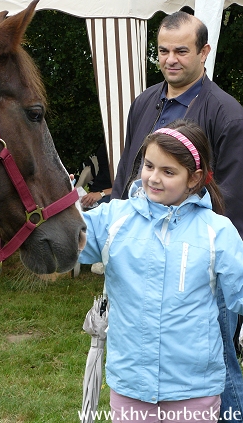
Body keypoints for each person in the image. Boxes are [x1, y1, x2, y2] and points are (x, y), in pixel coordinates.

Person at [111, 11, 243, 422]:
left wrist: (216, 263)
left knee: (218, 366)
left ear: (204, 52)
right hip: (141, 260)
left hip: (200, 266)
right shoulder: (144, 102)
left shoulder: (228, 114)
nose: (171, 59)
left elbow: (234, 200)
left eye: (181, 51)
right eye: (164, 51)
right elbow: (127, 174)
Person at [79, 119, 243, 423]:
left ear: (193, 178)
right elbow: (64, 238)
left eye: (168, 172)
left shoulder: (216, 231)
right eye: (149, 165)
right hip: (130, 387)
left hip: (194, 392)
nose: (153, 178)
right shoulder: (114, 218)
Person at [77, 143, 112, 209]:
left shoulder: (134, 151)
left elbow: (126, 187)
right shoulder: (106, 149)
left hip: (115, 197)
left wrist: (101, 194)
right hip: (100, 193)